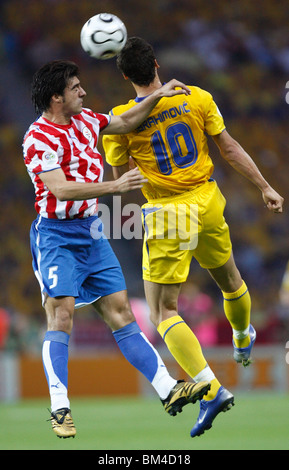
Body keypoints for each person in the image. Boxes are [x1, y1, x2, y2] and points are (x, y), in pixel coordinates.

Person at [102, 37, 284, 438]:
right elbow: (230, 148)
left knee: (163, 312)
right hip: (207, 199)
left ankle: (212, 389)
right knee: (231, 280)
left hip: (169, 212)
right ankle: (242, 336)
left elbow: (122, 179)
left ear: (126, 75)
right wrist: (265, 187)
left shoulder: (117, 120)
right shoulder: (197, 96)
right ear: (156, 64)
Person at [22, 60, 211, 439]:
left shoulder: (87, 121)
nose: (83, 92)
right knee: (60, 317)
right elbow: (59, 189)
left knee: (121, 311)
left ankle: (167, 390)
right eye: (75, 88)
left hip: (91, 231)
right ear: (57, 97)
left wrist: (156, 95)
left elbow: (123, 122)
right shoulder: (37, 138)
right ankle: (60, 409)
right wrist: (115, 187)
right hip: (56, 235)